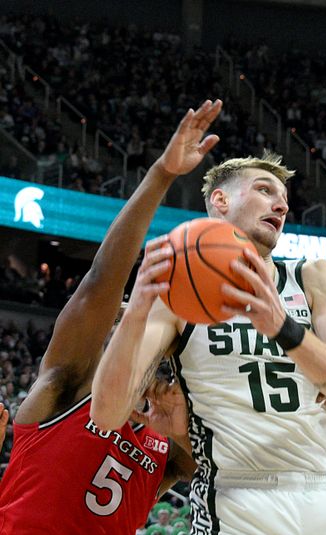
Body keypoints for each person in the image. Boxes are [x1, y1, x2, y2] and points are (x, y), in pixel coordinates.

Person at [90, 149, 326, 535]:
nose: (281, 204)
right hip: (237, 501)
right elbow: (107, 413)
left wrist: (284, 327)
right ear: (221, 200)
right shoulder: (176, 292)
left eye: (284, 198)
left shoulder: (314, 277)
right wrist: (137, 311)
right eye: (265, 190)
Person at [0, 99, 223, 532]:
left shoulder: (170, 432)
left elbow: (221, 462)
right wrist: (162, 174)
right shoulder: (70, 382)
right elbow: (101, 279)